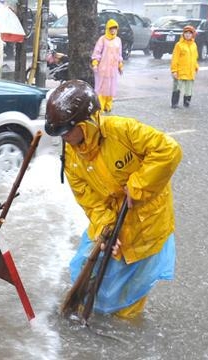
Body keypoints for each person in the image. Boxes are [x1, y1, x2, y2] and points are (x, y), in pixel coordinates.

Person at [45, 80, 182, 319]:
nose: (64, 137)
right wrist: (105, 229)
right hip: (114, 221)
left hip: (146, 226)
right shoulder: (71, 158)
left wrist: (138, 185)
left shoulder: (124, 131)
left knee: (129, 302)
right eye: (59, 132)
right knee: (87, 274)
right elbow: (89, 201)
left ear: (86, 123)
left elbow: (169, 151)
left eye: (67, 130)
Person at [91, 19, 124, 113]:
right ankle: (100, 106)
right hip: (103, 68)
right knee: (102, 87)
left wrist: (120, 65)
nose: (113, 30)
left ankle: (108, 105)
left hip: (113, 68)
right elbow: (97, 52)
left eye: (115, 28)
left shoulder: (118, 40)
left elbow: (119, 54)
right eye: (111, 28)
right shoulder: (102, 39)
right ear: (107, 29)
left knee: (111, 87)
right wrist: (95, 63)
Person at [170, 25, 199, 108]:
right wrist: (174, 70)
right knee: (177, 88)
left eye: (190, 33)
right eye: (186, 32)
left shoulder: (194, 45)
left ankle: (186, 103)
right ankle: (174, 104)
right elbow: (175, 58)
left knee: (189, 89)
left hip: (190, 72)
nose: (188, 34)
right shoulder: (179, 45)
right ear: (183, 34)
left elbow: (195, 57)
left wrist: (196, 66)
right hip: (180, 71)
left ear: (193, 35)